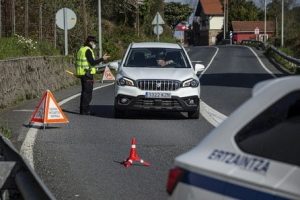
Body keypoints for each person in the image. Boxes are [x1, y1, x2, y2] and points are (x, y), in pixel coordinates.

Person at [75, 36, 110, 115]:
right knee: (88, 93)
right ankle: (85, 111)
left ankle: (83, 110)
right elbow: (92, 62)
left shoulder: (81, 49)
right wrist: (102, 59)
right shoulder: (87, 50)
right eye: (94, 43)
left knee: (84, 92)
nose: (95, 45)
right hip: (87, 74)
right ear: (90, 42)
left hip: (82, 73)